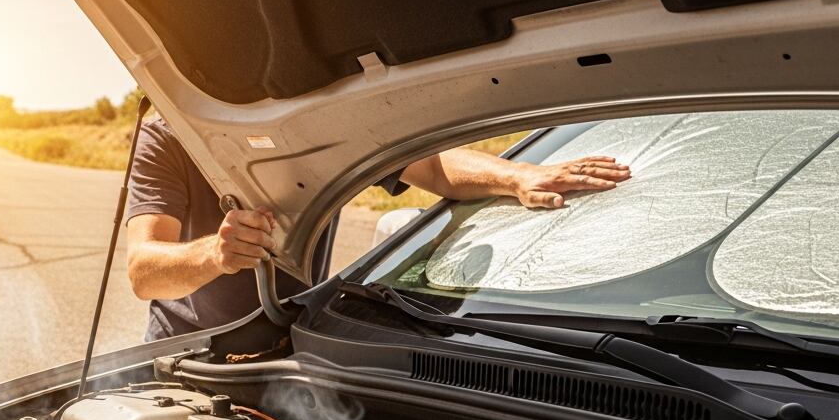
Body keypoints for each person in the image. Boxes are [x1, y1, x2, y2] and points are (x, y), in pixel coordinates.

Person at [125, 118, 631, 340]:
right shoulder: (167, 136)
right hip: (186, 350)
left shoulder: (317, 126)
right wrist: (216, 254)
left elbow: (431, 168)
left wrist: (518, 175)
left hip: (289, 339)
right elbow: (145, 271)